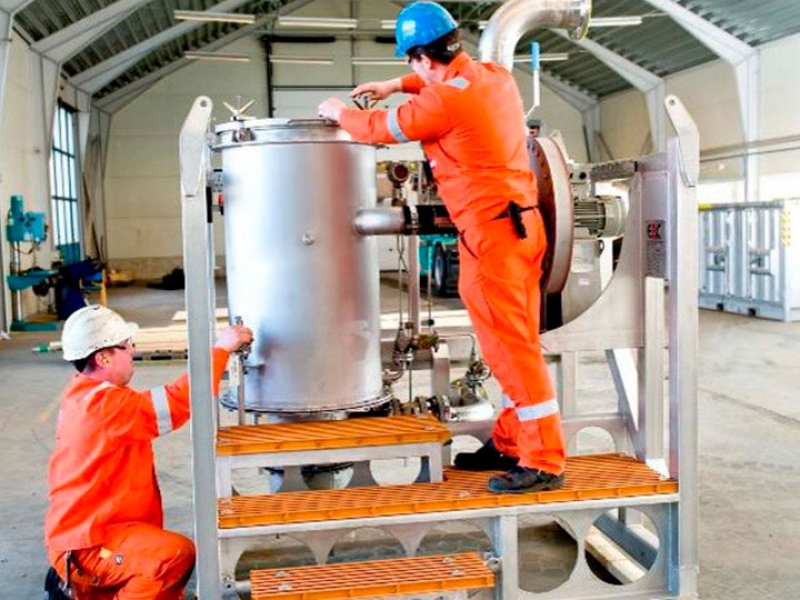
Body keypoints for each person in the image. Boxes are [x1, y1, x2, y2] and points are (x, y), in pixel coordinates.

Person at [318, 1, 566, 494]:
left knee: (511, 351)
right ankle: (511, 442)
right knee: (512, 346)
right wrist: (394, 84)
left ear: (420, 56)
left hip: (490, 240)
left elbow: (379, 129)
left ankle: (544, 461)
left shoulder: (442, 103)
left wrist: (337, 112)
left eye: (411, 62)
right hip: (522, 228)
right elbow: (437, 82)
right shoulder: (492, 77)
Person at [44, 305, 253, 598]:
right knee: (171, 556)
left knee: (162, 567)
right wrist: (222, 348)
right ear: (103, 357)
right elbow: (179, 402)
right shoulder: (104, 406)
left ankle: (88, 588)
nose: (133, 351)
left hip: (93, 532)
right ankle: (86, 582)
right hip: (89, 543)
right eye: (126, 345)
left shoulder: (85, 394)